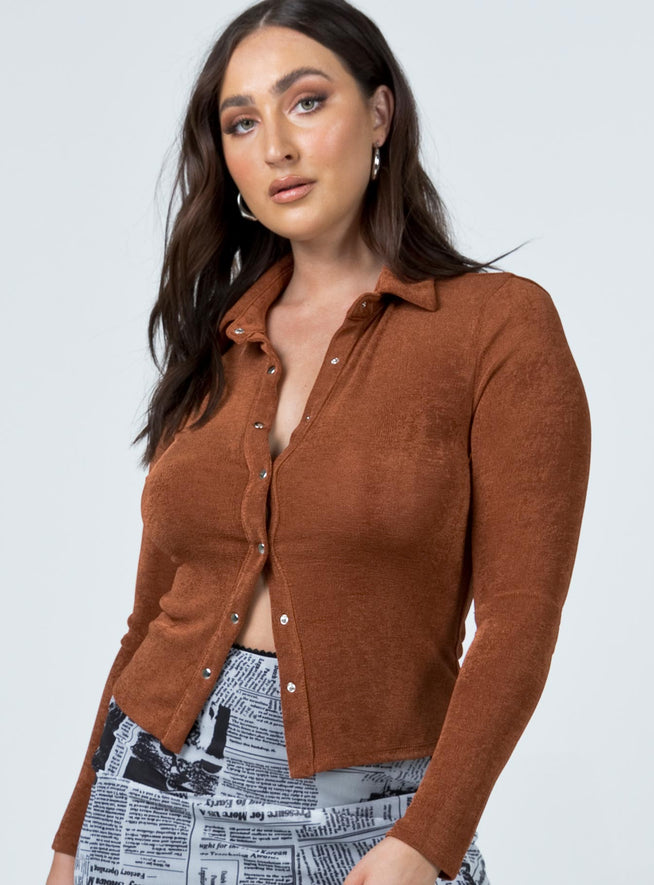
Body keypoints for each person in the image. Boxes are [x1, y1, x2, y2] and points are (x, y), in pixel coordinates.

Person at [46, 1, 592, 883]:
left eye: (306, 102)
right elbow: (148, 619)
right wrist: (74, 836)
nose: (276, 147)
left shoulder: (498, 327)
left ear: (379, 113)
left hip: (367, 826)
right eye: (242, 122)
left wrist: (430, 839)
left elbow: (519, 620)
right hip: (142, 805)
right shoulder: (219, 339)